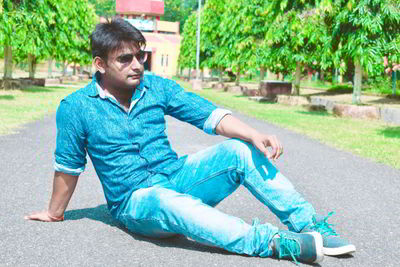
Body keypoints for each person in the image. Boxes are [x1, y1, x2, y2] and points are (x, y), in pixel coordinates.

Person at [25, 18, 355, 264]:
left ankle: (311, 226)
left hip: (177, 176)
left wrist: (254, 134)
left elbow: (207, 114)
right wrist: (55, 213)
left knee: (238, 150)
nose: (137, 65)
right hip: (136, 199)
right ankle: (275, 243)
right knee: (168, 202)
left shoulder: (156, 87)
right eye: (124, 59)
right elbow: (68, 167)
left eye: (141, 56)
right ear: (99, 64)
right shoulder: (76, 107)